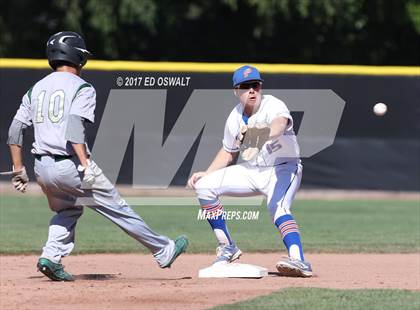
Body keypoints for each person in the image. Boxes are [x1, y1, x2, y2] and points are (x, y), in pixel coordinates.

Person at [7, 31, 188, 281]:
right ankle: (163, 250)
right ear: (78, 57)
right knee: (118, 209)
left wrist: (18, 168)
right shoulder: (82, 87)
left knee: (68, 210)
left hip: (41, 168)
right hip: (71, 166)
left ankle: (51, 256)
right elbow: (74, 127)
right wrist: (86, 164)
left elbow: (15, 129)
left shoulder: (35, 88)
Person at [188, 65, 312, 277]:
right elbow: (228, 152)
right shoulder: (234, 118)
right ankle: (228, 247)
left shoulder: (273, 104)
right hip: (252, 170)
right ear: (236, 91)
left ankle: (299, 260)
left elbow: (280, 125)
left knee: (278, 208)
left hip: (283, 169)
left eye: (255, 85)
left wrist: (260, 133)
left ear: (260, 87)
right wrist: (206, 173)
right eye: (245, 86)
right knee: (204, 186)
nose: (252, 90)